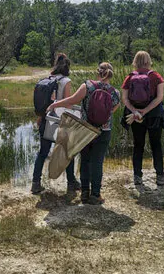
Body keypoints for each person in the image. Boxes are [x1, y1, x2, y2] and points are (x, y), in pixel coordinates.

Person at [48, 62, 120, 205]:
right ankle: (96, 195)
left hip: (86, 130)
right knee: (97, 162)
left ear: (97, 72)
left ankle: (85, 192)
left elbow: (72, 100)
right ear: (110, 74)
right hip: (103, 131)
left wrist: (55, 104)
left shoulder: (87, 86)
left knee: (85, 160)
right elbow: (111, 111)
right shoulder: (115, 92)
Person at [31, 53, 82, 195]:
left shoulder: (48, 79)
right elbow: (67, 103)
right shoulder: (66, 81)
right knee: (67, 151)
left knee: (42, 152)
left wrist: (40, 117)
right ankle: (71, 182)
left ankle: (35, 183)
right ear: (67, 66)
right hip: (60, 121)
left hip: (46, 119)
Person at [121, 51, 164, 188]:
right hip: (154, 115)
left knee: (138, 145)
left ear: (135, 61)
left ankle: (137, 177)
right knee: (156, 144)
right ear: (149, 61)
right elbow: (159, 97)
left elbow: (125, 99)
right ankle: (160, 177)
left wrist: (136, 112)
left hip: (135, 116)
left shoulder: (130, 77)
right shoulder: (156, 76)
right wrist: (146, 111)